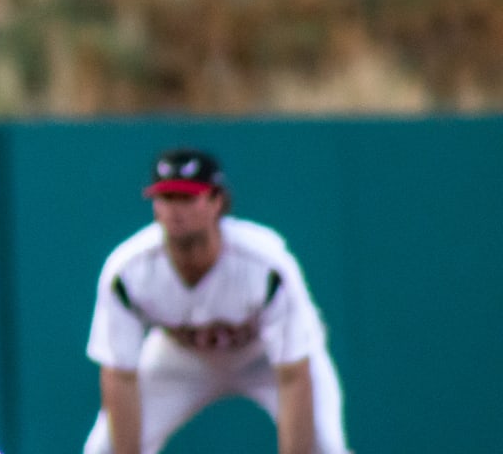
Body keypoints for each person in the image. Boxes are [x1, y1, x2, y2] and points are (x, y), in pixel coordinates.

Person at [83, 148, 350, 454]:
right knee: (102, 449)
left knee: (326, 447)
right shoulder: (128, 271)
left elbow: (293, 373)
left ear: (216, 201)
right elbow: (119, 374)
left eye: (187, 197)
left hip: (263, 356)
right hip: (182, 357)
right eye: (167, 198)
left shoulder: (266, 265)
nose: (176, 209)